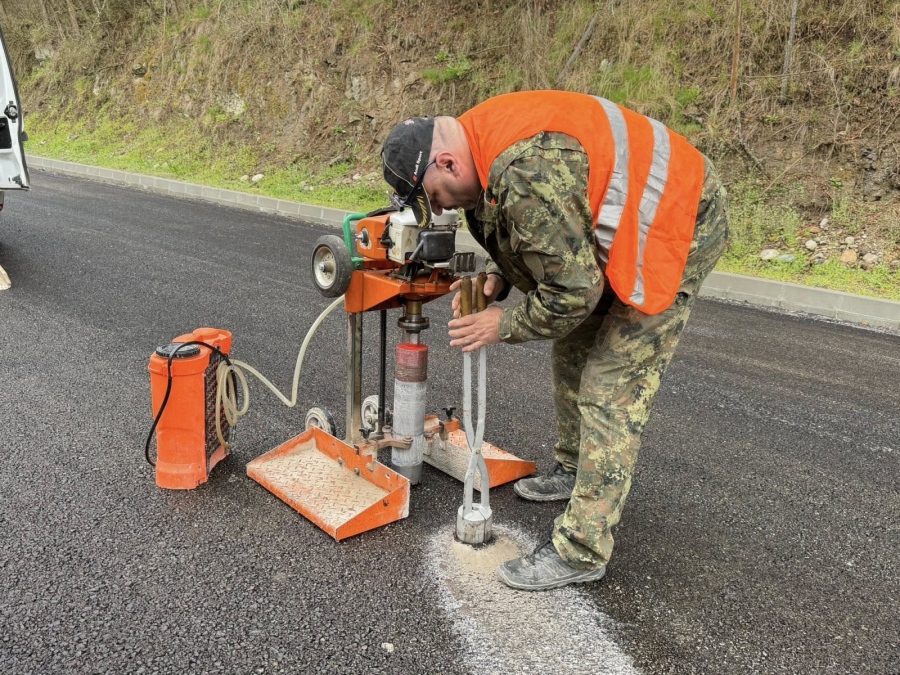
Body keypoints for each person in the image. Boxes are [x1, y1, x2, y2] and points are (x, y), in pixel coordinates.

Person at [380, 90, 729, 591]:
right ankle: (572, 470)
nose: (438, 209)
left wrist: (501, 325)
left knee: (610, 387)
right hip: (626, 216)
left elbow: (572, 292)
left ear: (448, 161)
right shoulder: (479, 144)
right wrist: (500, 275)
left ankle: (583, 549)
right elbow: (539, 231)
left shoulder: (525, 168)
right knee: (574, 346)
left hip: (677, 220)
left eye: (433, 195)